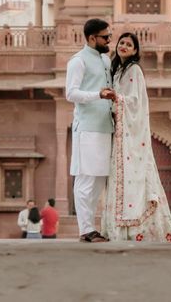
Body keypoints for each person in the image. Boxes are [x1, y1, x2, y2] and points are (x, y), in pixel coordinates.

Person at [100, 31, 171, 243]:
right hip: (120, 133)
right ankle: (117, 230)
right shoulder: (117, 71)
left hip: (130, 136)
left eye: (129, 44)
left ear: (135, 51)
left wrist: (117, 97)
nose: (123, 46)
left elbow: (136, 101)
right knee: (118, 178)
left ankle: (136, 231)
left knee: (135, 178)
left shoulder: (134, 70)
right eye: (121, 42)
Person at [66, 16, 115, 243]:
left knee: (98, 179)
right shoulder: (78, 61)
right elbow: (71, 93)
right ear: (92, 38)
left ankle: (91, 227)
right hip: (87, 128)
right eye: (106, 37)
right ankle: (85, 230)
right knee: (86, 179)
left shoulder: (105, 61)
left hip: (105, 126)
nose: (109, 41)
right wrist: (98, 94)